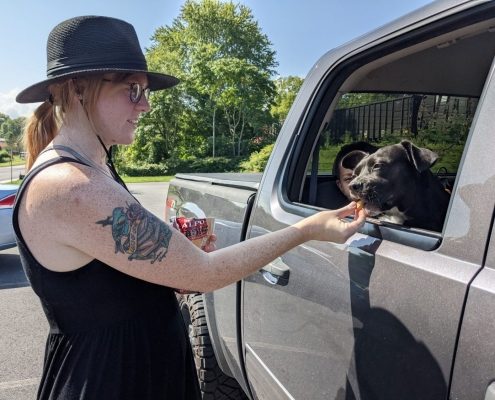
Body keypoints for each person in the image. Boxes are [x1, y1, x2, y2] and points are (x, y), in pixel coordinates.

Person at [13, 16, 366, 400]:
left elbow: (108, 280)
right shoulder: (71, 187)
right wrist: (307, 229)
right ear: (78, 88)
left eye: (147, 92)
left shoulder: (93, 168)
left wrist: (170, 260)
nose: (146, 106)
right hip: (109, 381)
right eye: (133, 90)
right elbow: (205, 274)